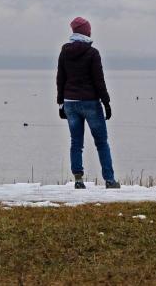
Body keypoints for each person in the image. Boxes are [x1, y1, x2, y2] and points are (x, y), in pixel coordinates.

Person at [56, 17, 120, 189]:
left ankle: (78, 180)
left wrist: (60, 103)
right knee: (101, 142)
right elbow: (99, 81)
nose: (90, 31)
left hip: (70, 102)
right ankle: (110, 180)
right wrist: (106, 103)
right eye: (89, 29)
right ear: (85, 31)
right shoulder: (93, 53)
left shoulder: (64, 51)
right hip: (90, 102)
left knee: (76, 143)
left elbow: (60, 79)